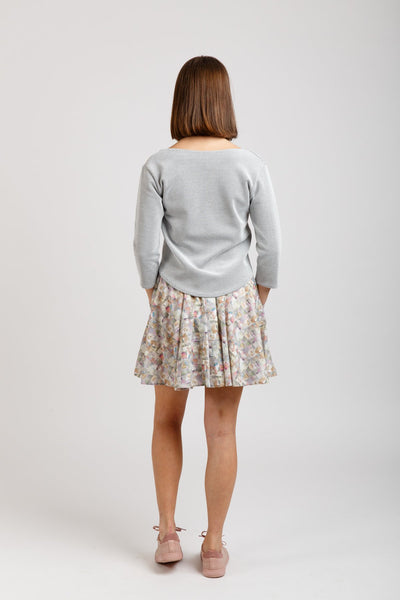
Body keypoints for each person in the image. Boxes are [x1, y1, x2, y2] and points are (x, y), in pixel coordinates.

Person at [132, 55, 282, 578]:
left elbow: (145, 250)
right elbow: (271, 248)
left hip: (175, 301)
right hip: (235, 301)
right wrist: (252, 302)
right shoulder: (250, 165)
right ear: (224, 101)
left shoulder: (158, 165)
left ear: (181, 100)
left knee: (165, 419)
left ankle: (167, 534)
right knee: (222, 430)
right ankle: (214, 546)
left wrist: (158, 299)